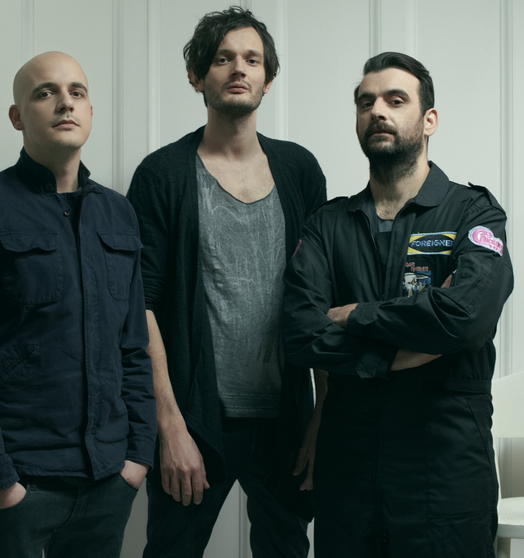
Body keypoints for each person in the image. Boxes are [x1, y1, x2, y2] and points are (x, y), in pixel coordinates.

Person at [283, 52, 514, 558]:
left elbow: (466, 317)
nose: (377, 111)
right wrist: (401, 349)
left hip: (445, 477)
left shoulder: (473, 212)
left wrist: (356, 315)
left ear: (429, 120)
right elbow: (299, 332)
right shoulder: (327, 225)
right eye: (366, 103)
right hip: (349, 479)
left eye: (395, 100)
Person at [0, 51, 156, 558]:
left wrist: (137, 458)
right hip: (19, 485)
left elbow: (132, 347)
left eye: (77, 92)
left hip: (108, 482)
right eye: (45, 92)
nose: (65, 103)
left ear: (91, 111)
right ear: (17, 117)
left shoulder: (118, 214)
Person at [127, 6, 327, 558]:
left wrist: (321, 416)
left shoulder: (300, 170)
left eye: (252, 59)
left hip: (285, 418)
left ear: (268, 78)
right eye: (223, 58)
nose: (239, 68)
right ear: (197, 76)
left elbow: (323, 298)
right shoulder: (163, 174)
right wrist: (170, 427)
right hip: (196, 419)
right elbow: (140, 305)